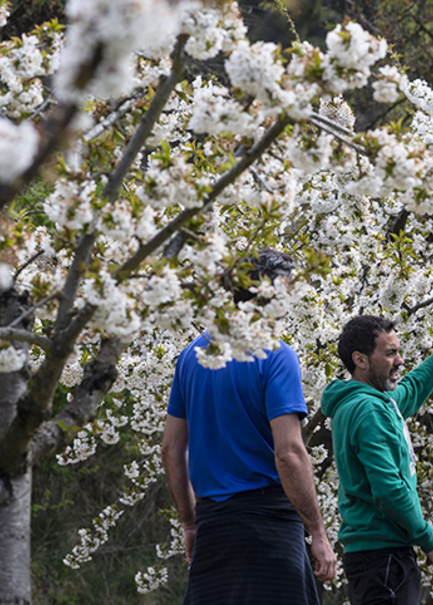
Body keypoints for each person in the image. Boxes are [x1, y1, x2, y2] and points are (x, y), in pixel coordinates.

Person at [162, 249, 337, 605]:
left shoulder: (191, 356)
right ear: (267, 294)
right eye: (286, 291)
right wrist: (317, 532)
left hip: (212, 526)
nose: (289, 302)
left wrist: (190, 523)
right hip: (268, 526)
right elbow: (288, 453)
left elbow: (170, 450)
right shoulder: (275, 354)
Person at [321, 299, 433, 605]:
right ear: (360, 360)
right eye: (390, 353)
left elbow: (413, 387)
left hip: (375, 556)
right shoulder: (369, 410)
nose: (400, 360)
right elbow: (388, 486)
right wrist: (427, 537)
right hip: (382, 557)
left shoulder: (370, 402)